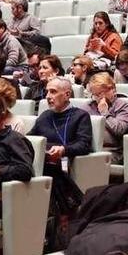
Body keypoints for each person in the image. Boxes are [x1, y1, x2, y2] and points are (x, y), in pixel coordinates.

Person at [29, 77, 93, 218]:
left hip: (65, 161)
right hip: (44, 161)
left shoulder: (80, 116)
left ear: (67, 95)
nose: (48, 97)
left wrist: (63, 150)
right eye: (47, 92)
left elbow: (83, 145)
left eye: (53, 92)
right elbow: (30, 139)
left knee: (51, 170)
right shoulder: (45, 116)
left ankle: (56, 215)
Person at [82, 72, 128, 164]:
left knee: (90, 162)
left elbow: (119, 129)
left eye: (100, 93)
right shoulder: (88, 106)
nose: (98, 98)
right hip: (89, 149)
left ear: (112, 89)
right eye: (95, 95)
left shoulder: (122, 106)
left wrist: (105, 113)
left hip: (112, 152)